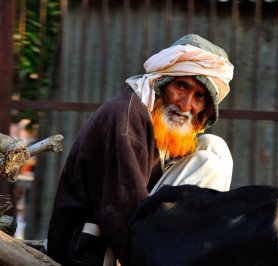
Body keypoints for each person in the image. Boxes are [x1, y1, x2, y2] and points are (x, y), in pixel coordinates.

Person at [47, 34, 234, 265]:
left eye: (199, 97)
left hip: (134, 236)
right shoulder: (126, 117)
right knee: (210, 164)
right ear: (161, 83)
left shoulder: (157, 124)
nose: (186, 105)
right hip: (89, 252)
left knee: (214, 147)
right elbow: (121, 209)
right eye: (181, 86)